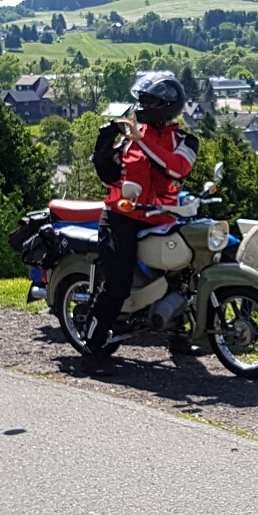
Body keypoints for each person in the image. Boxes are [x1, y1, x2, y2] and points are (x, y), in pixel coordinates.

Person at [83, 70, 196, 354]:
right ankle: (93, 346)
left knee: (184, 275)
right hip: (122, 216)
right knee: (117, 284)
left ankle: (180, 335)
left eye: (148, 102)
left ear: (166, 105)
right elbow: (110, 176)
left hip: (162, 217)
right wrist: (105, 146)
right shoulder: (130, 138)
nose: (142, 107)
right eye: (141, 101)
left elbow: (175, 167)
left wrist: (141, 141)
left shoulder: (184, 140)